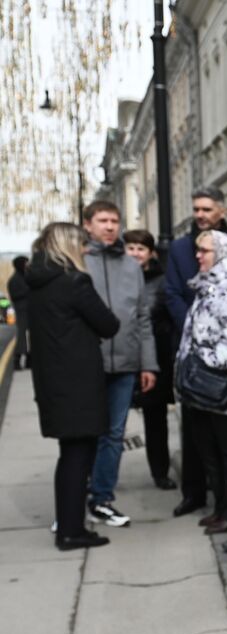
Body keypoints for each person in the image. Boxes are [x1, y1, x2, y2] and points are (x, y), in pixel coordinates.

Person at [25, 222, 121, 550]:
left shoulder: (36, 282)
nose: (86, 250)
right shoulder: (75, 281)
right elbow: (108, 324)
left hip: (53, 382)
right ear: (68, 246)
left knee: (69, 456)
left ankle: (68, 524)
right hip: (78, 383)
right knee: (79, 457)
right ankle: (71, 531)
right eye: (82, 245)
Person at [167, 186, 227, 517]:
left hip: (222, 381)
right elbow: (174, 297)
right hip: (201, 375)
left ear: (221, 210)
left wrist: (202, 361)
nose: (197, 257)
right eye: (197, 209)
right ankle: (216, 506)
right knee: (203, 447)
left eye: (208, 209)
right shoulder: (198, 271)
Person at [83, 200, 157, 528]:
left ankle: (101, 499)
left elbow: (142, 317)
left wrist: (148, 364)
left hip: (126, 364)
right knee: (85, 434)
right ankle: (76, 495)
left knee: (114, 435)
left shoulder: (131, 266)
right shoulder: (78, 263)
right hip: (87, 365)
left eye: (115, 220)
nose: (110, 226)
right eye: (103, 220)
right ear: (88, 225)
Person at [122, 230, 177, 490]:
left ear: (150, 253)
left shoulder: (163, 281)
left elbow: (166, 319)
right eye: (130, 247)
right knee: (111, 424)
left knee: (155, 421)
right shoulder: (116, 278)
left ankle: (160, 472)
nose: (135, 253)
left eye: (140, 249)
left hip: (154, 359)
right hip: (121, 357)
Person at [6, 256, 30, 370]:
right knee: (21, 338)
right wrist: (27, 291)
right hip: (21, 312)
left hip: (28, 311)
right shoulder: (15, 279)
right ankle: (17, 361)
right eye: (25, 263)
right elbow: (15, 296)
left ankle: (29, 360)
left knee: (29, 338)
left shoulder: (26, 277)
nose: (27, 265)